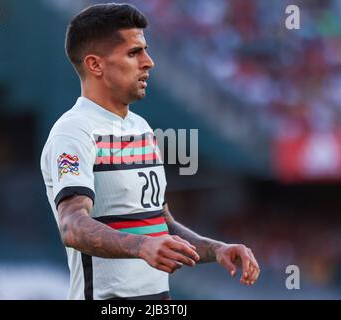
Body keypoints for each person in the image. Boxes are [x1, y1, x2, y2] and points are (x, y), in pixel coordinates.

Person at [40, 3, 260, 300]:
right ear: (95, 65)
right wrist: (142, 246)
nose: (149, 62)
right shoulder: (74, 131)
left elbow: (161, 223)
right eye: (134, 53)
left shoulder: (141, 127)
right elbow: (72, 226)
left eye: (145, 50)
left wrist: (216, 249)